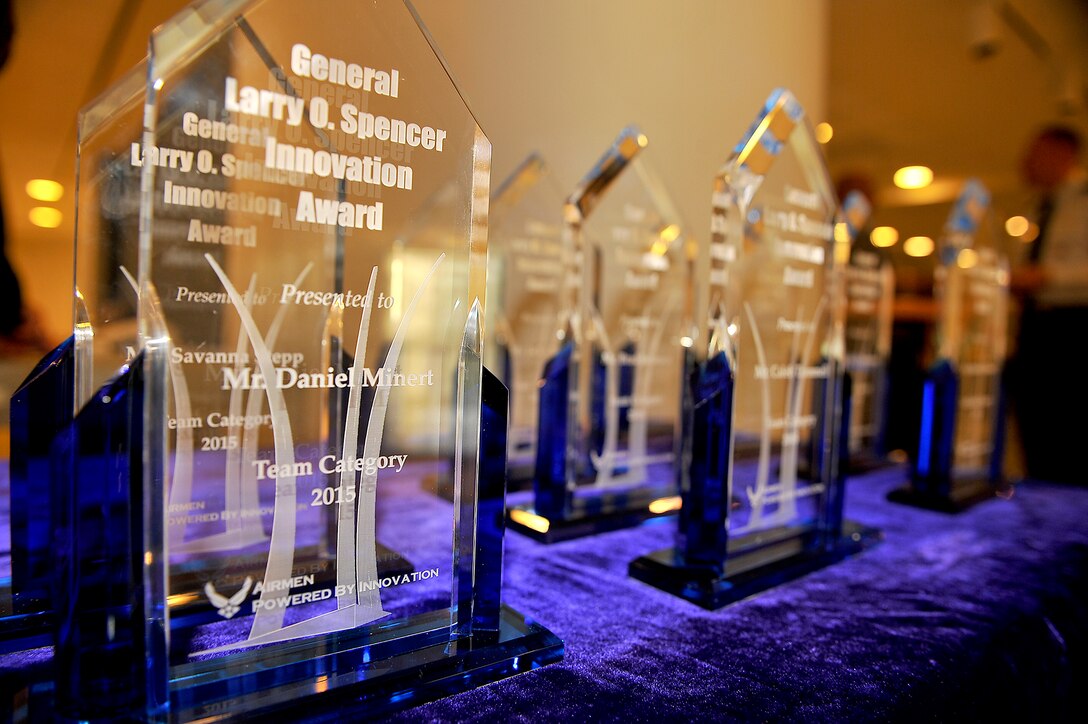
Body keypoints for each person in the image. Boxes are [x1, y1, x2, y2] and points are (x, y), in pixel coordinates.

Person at [1011, 125, 1088, 484]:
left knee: (1069, 427)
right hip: (1034, 324)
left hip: (1073, 326)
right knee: (1034, 418)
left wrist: (1049, 275)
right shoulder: (1033, 208)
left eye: (1038, 153)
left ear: (1063, 155)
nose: (1028, 162)